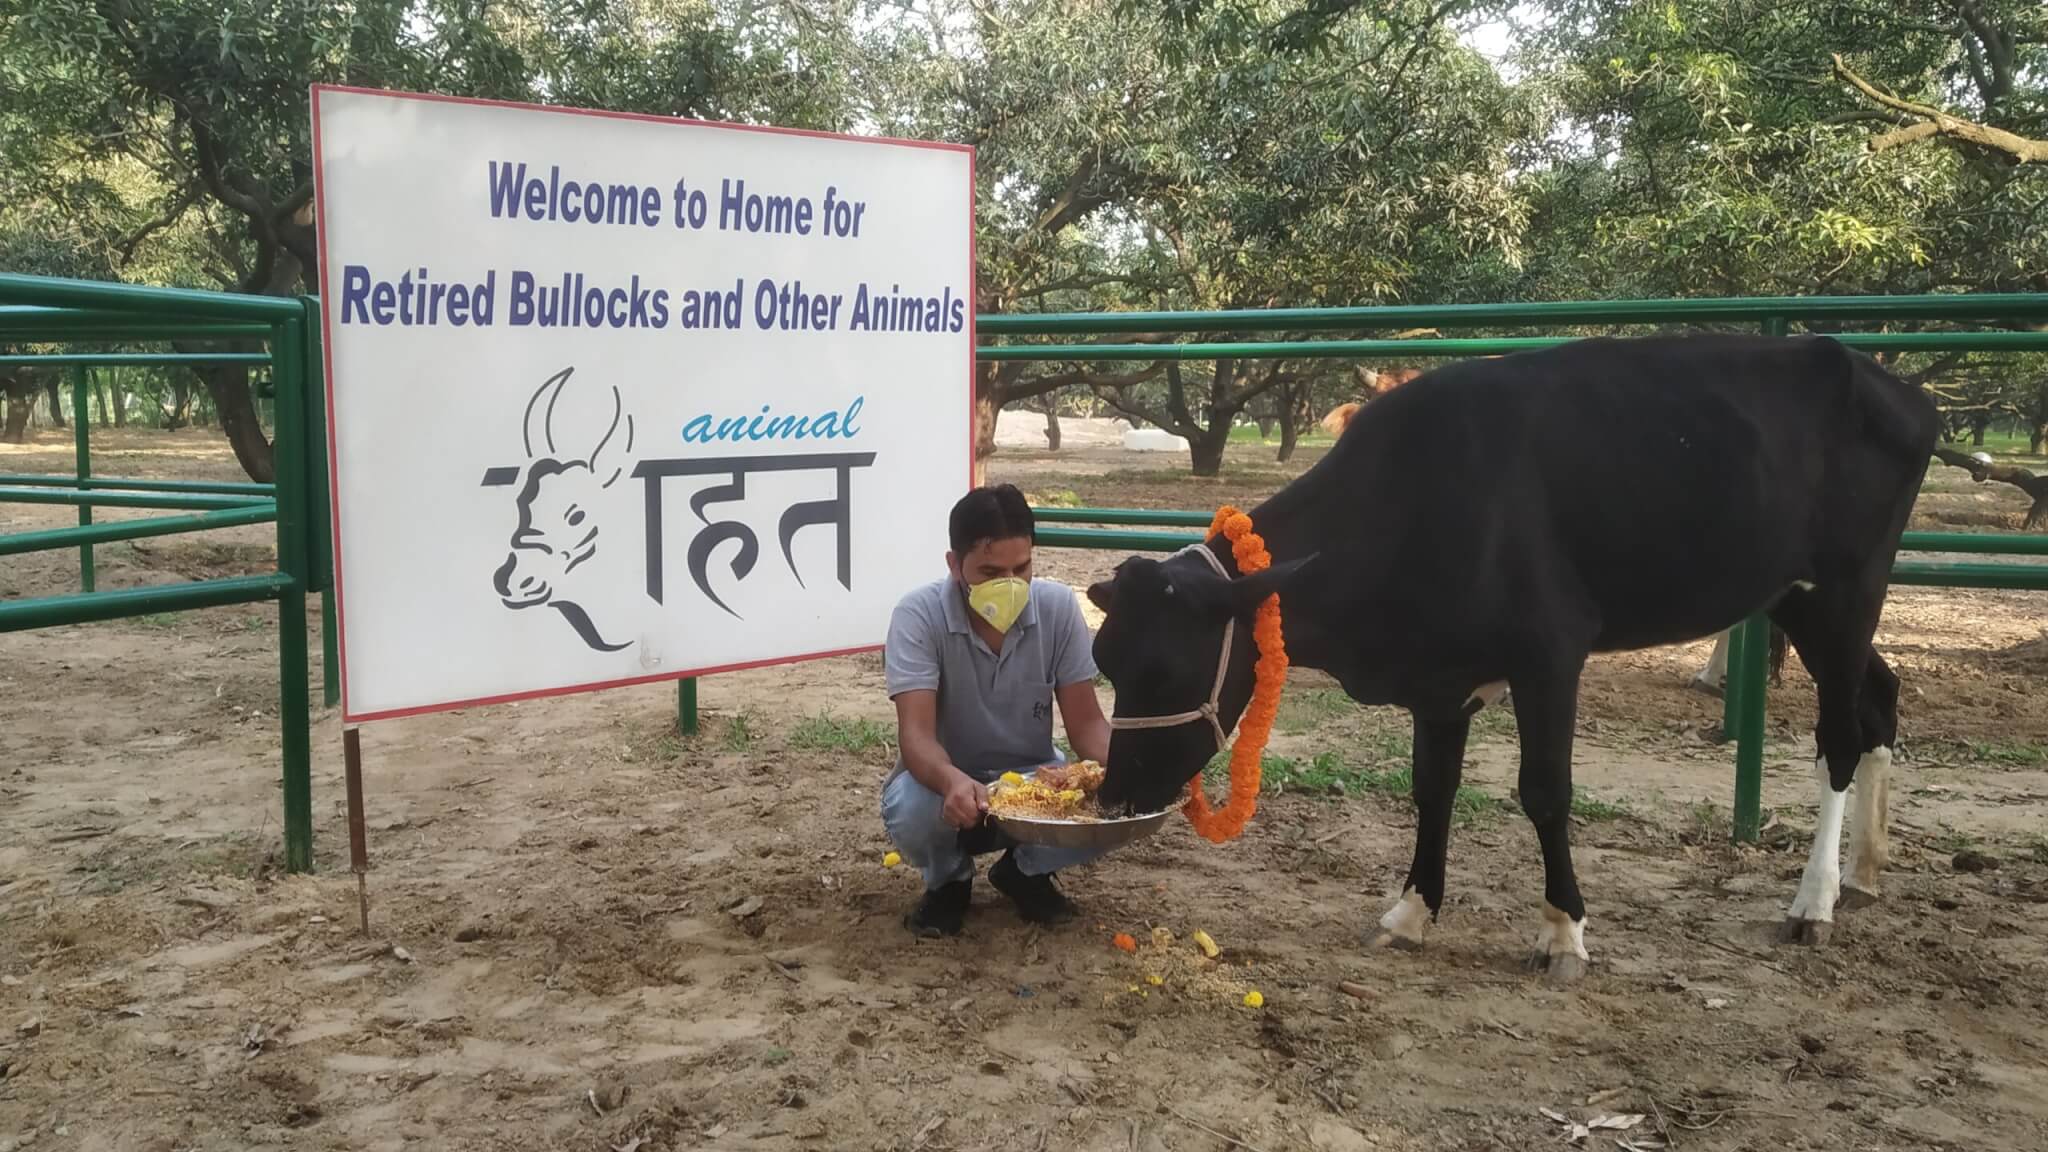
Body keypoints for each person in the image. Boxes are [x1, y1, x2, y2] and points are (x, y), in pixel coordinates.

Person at [881, 483, 1115, 937]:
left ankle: (1026, 872)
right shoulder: (918, 614)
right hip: (944, 787)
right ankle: (948, 882)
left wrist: (1135, 769)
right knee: (912, 810)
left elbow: (1087, 726)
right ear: (954, 565)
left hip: (1033, 783)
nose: (1009, 584)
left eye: (1021, 568)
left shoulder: (1059, 607)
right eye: (989, 571)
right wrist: (953, 781)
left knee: (1113, 802)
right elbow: (917, 737)